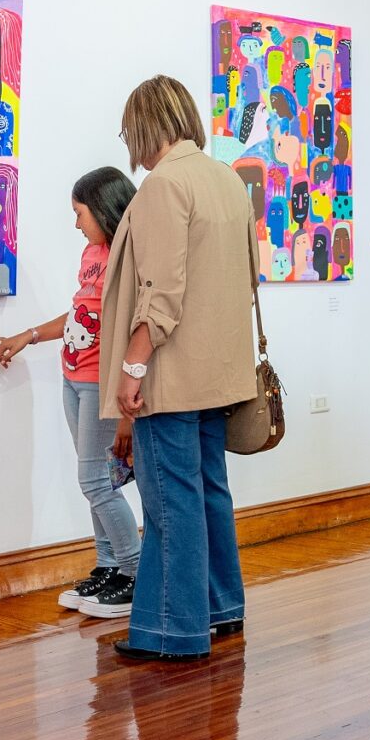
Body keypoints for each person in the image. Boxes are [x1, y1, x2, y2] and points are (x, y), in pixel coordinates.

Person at [98, 78, 258, 661]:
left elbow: (159, 294)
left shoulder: (165, 185)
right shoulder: (225, 179)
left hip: (171, 373)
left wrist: (131, 369)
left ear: (144, 126)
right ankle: (219, 607)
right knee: (209, 489)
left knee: (170, 502)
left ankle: (172, 628)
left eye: (128, 131)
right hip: (219, 371)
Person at [0, 167, 143, 620]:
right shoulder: (91, 253)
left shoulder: (132, 254)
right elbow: (82, 314)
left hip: (103, 383)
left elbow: (138, 328)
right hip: (73, 377)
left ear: (103, 210)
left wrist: (127, 413)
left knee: (95, 481)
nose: (75, 222)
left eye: (79, 213)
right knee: (97, 479)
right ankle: (108, 566)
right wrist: (31, 334)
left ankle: (136, 574)